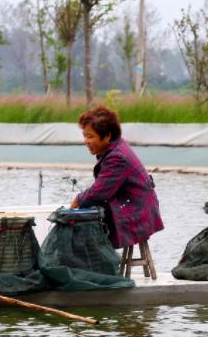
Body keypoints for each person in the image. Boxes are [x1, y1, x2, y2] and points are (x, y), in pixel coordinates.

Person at [70, 105, 163, 249]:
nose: (86, 141)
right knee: (89, 213)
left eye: (90, 136)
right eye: (84, 135)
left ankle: (96, 264)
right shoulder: (115, 147)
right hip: (136, 206)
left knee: (84, 222)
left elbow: (99, 192)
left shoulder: (117, 157)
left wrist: (77, 200)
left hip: (138, 213)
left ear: (107, 136)